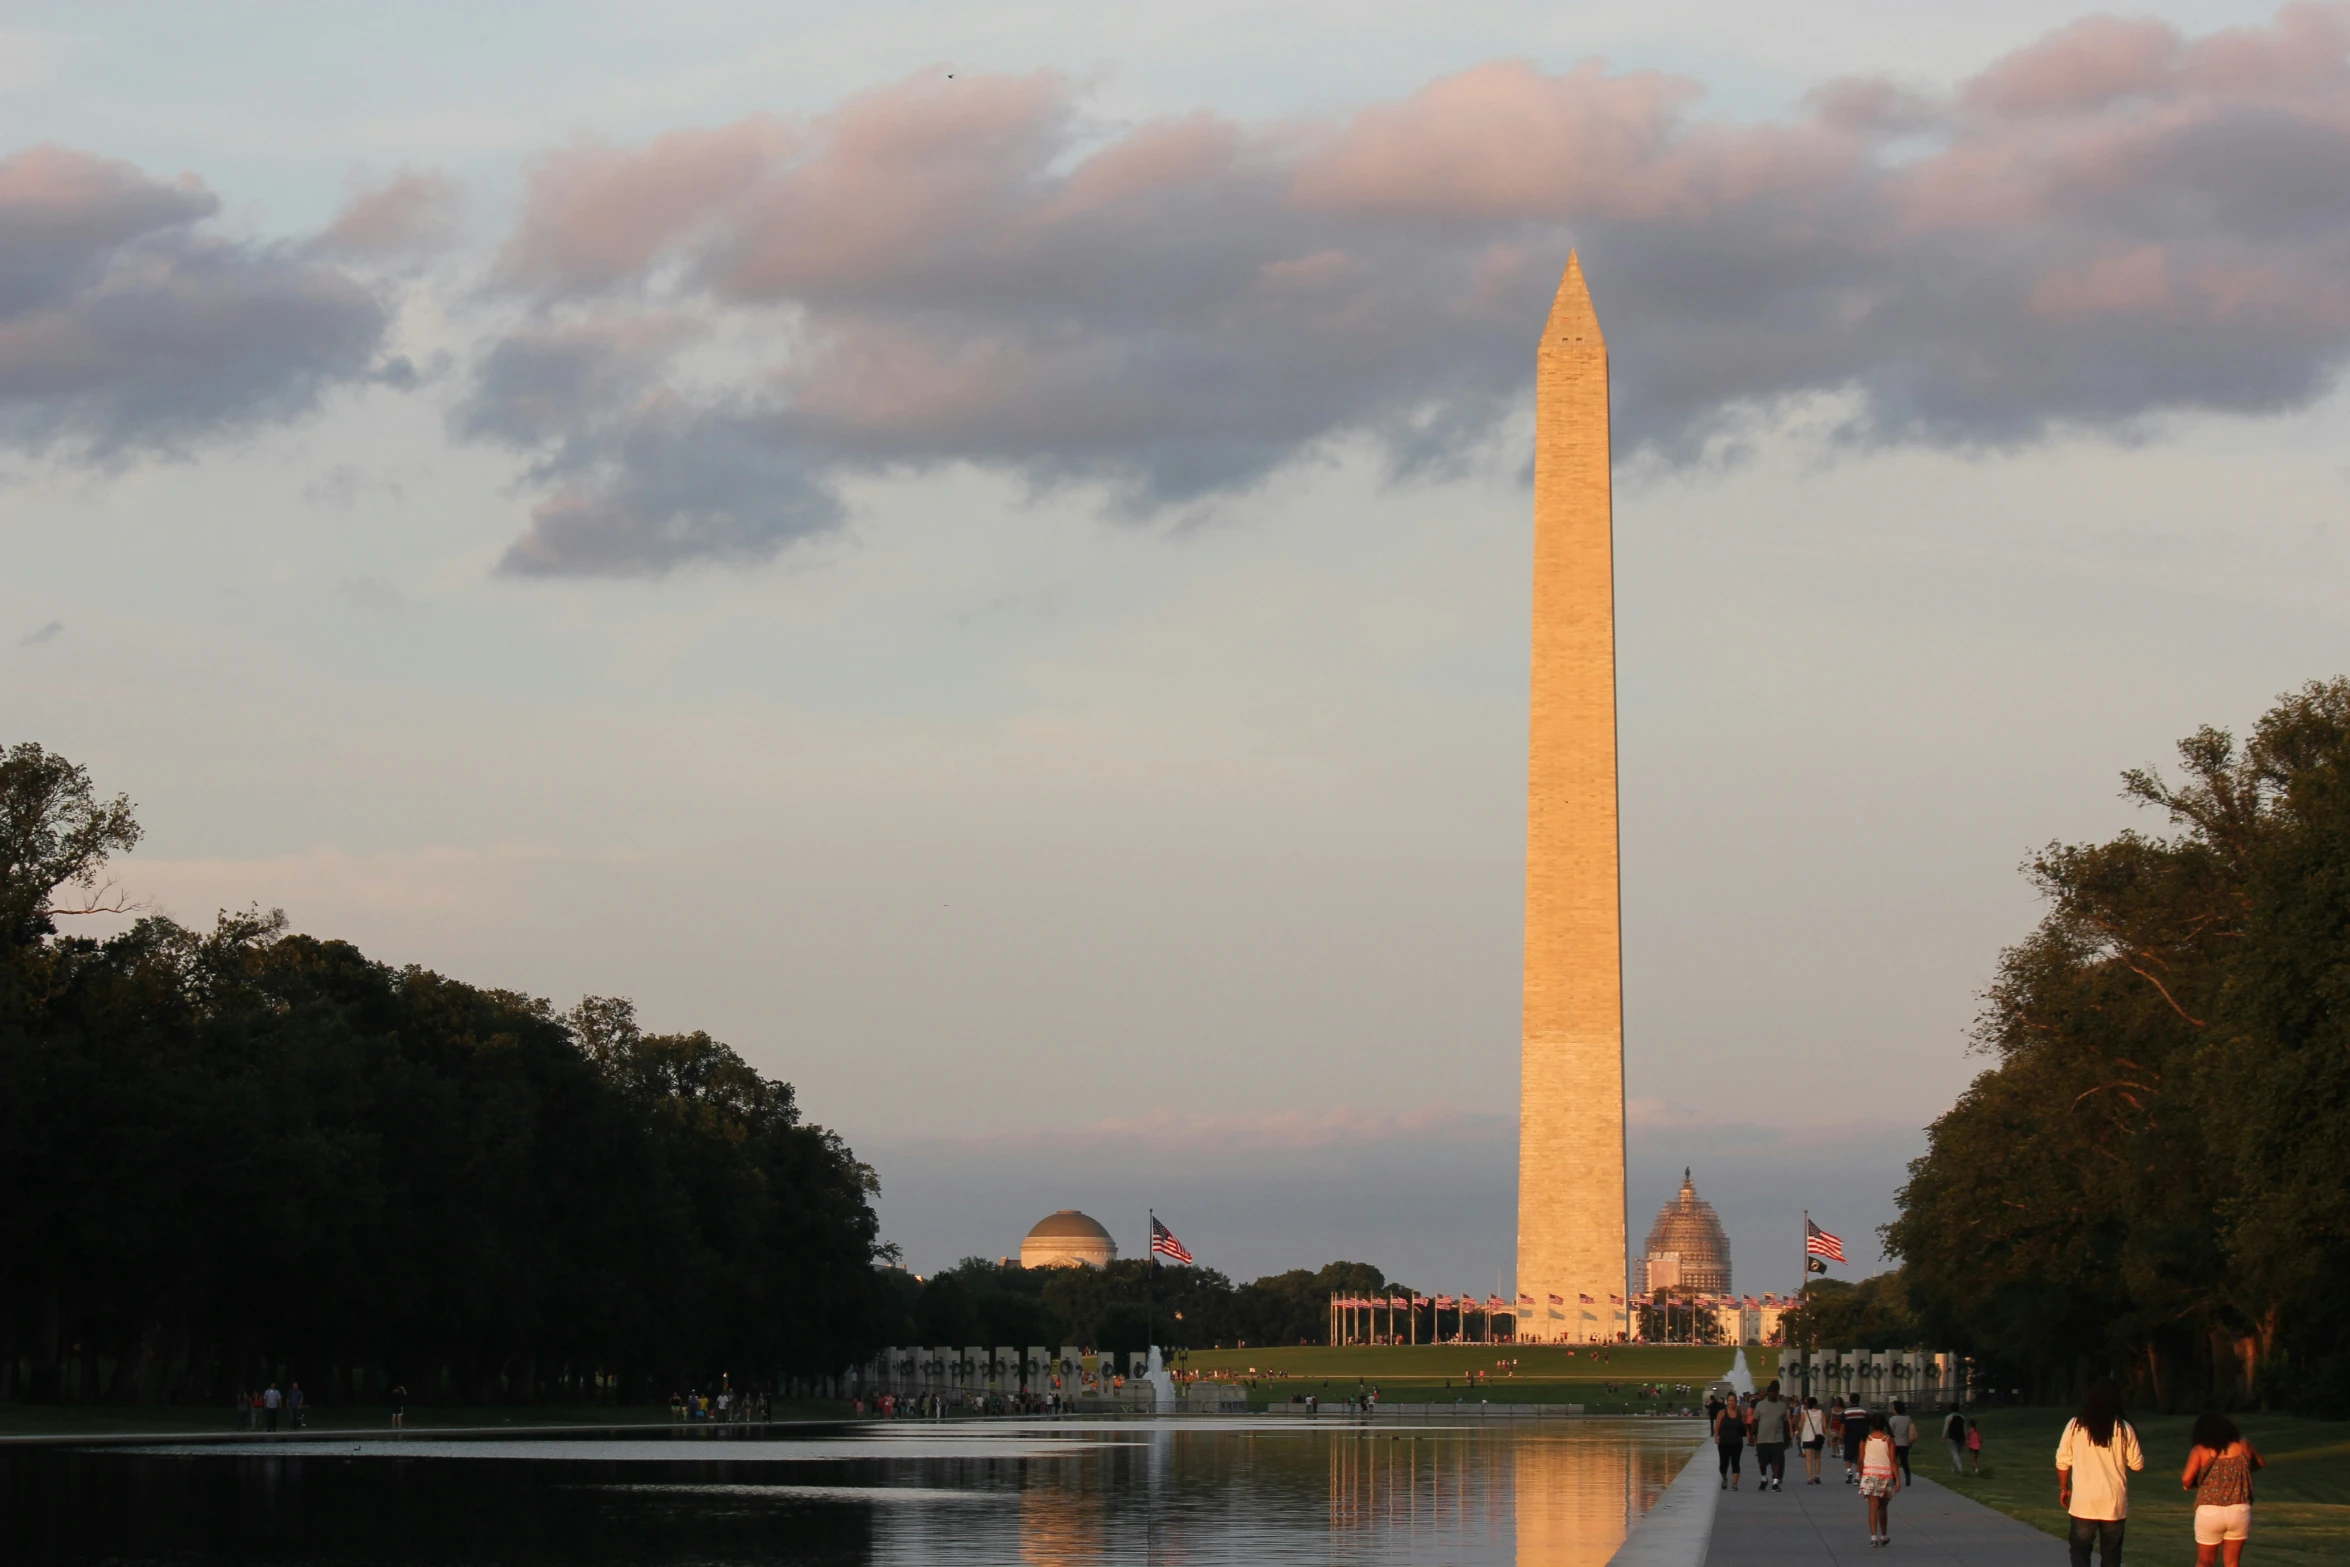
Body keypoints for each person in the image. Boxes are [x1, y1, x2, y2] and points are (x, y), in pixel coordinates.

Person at [2057, 1378, 2144, 1567]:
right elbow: (2137, 1464)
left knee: (2080, 1550)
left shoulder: (2075, 1426)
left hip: (2084, 1502)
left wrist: (2064, 1489)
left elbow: (2062, 1461)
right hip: (2114, 1502)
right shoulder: (2124, 1428)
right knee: (2111, 1555)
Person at [2181, 1411, 2263, 1567]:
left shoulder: (2200, 1450)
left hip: (2210, 1510)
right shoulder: (2243, 1444)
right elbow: (2260, 1462)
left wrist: (2190, 1485)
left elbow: (2186, 1478)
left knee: (2205, 1561)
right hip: (2239, 1509)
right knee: (2232, 1562)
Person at [1860, 1409, 1902, 1547]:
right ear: (1884, 1424)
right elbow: (1893, 1461)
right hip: (1885, 1475)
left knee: (1873, 1507)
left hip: (1870, 1475)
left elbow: (1860, 1460)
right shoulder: (1888, 1440)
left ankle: (1873, 1537)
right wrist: (1898, 1479)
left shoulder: (1866, 1439)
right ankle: (1884, 1535)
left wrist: (1860, 1474)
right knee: (1883, 1507)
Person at [1751, 1381, 1791, 1492]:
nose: (1773, 1395)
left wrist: (1787, 1437)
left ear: (1777, 1393)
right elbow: (1755, 1421)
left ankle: (1775, 1482)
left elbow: (1786, 1423)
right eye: (1771, 1393)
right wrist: (1752, 1434)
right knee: (1762, 1462)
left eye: (1775, 1393)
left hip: (1777, 1439)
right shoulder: (1760, 1405)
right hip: (1763, 1439)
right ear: (1768, 1393)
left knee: (1776, 1462)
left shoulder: (1782, 1406)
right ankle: (1764, 1479)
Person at [1714, 1393, 1746, 1490]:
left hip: (1737, 1442)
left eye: (1733, 1401)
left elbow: (1744, 1426)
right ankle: (1724, 1478)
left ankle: (1735, 1484)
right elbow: (1717, 1426)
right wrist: (1716, 1437)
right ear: (1727, 1402)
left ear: (1736, 1402)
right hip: (1724, 1442)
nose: (1731, 1402)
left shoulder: (1739, 1413)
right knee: (1723, 1464)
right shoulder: (1722, 1413)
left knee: (1735, 1463)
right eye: (1730, 1400)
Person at [1840, 1398, 1871, 1484]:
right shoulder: (1864, 1412)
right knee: (1859, 1457)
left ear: (1850, 1401)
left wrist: (1840, 1436)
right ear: (1859, 1401)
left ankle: (1849, 1471)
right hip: (1861, 1437)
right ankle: (1857, 1477)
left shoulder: (1846, 1412)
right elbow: (1868, 1424)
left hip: (1849, 1436)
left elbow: (1843, 1425)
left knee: (1848, 1455)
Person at [1800, 1396, 1829, 1484]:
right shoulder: (1821, 1413)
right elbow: (1825, 1427)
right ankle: (1817, 1476)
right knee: (1817, 1458)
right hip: (1818, 1438)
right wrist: (1829, 1437)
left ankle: (1810, 1478)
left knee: (1808, 1459)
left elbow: (1801, 1426)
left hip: (1807, 1437)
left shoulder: (1804, 1413)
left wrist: (1798, 1434)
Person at [1887, 1399, 1913, 1484]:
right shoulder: (1908, 1418)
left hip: (1895, 1443)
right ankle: (1908, 1476)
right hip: (1905, 1443)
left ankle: (1894, 1478)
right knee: (1904, 1461)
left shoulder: (1893, 1419)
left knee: (1894, 1461)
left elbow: (1890, 1432)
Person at [1944, 1409, 1968, 1474]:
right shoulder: (1962, 1417)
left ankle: (1960, 1468)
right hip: (1961, 1438)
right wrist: (1966, 1437)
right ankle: (1954, 1468)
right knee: (1958, 1454)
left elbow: (1946, 1427)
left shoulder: (1949, 1417)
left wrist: (1943, 1436)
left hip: (1952, 1437)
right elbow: (1964, 1428)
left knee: (1955, 1453)